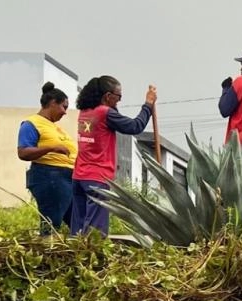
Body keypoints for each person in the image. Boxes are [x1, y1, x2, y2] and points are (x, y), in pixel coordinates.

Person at [71, 76, 156, 236]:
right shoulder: (105, 113)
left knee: (78, 230)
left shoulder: (85, 112)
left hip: (79, 177)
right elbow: (135, 126)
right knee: (95, 235)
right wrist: (148, 105)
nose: (119, 101)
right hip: (97, 178)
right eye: (118, 97)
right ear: (108, 96)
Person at [16, 82, 76, 234]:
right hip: (50, 177)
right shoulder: (31, 124)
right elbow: (23, 152)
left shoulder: (54, 127)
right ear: (53, 103)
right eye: (64, 106)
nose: (65, 112)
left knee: (78, 223)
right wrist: (51, 148)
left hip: (68, 179)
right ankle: (46, 251)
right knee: (51, 223)